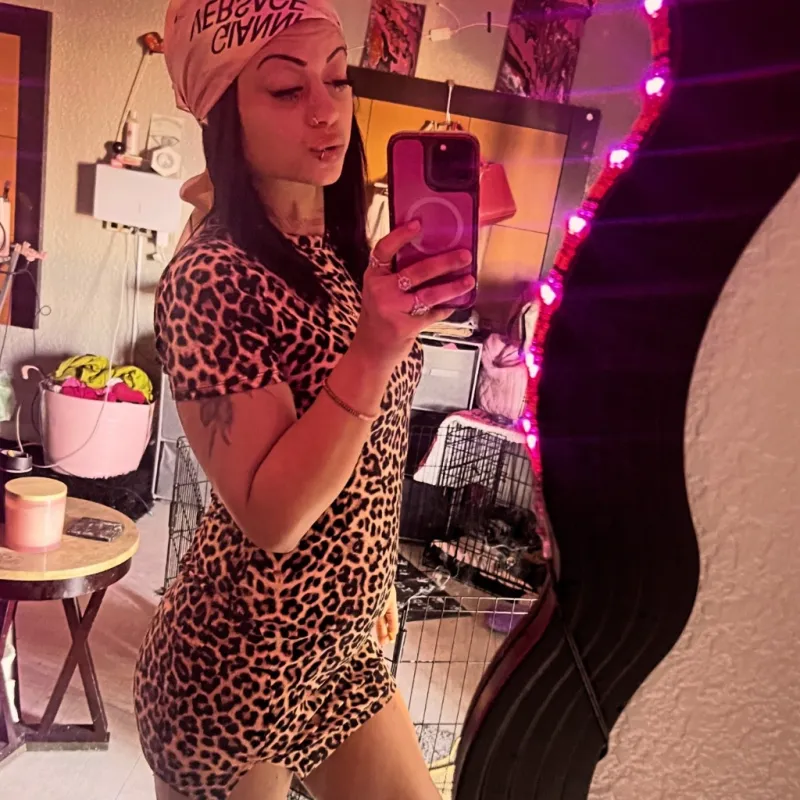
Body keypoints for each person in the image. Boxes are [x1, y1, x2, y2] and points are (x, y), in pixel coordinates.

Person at [133, 2, 475, 799]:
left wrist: (374, 577)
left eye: (337, 78)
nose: (327, 110)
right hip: (237, 674)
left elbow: (374, 448)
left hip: (341, 657)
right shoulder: (210, 276)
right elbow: (273, 518)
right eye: (287, 90)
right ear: (226, 116)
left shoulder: (340, 254)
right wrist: (376, 348)